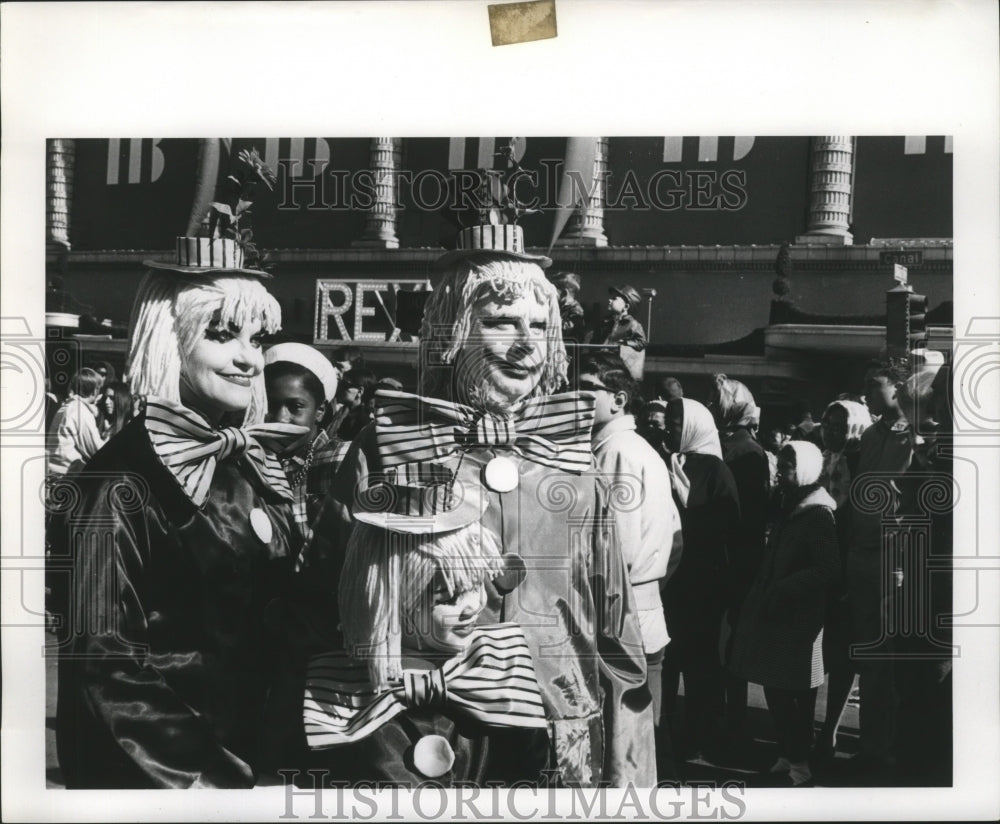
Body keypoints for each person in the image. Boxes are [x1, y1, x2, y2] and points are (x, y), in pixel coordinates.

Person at [329, 216, 653, 787]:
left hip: (561, 740)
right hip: (425, 739)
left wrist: (630, 778)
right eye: (502, 322)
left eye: (538, 325)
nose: (527, 345)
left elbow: (616, 633)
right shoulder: (384, 449)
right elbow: (333, 604)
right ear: (453, 330)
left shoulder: (574, 460)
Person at [52, 160, 307, 787]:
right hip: (165, 774)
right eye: (222, 336)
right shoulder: (114, 484)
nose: (248, 358)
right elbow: (103, 659)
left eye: (256, 338)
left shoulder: (249, 462)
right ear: (169, 340)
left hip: (257, 760)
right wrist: (202, 772)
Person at [300, 467, 551, 786]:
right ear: (390, 601)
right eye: (447, 598)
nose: (473, 605)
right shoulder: (329, 696)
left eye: (474, 585)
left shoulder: (505, 671)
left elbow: (543, 793)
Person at [580, 352, 683, 779]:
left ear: (619, 400)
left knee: (627, 743)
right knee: (640, 737)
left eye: (588, 390)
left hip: (618, 611)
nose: (576, 398)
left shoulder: (618, 452)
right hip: (639, 605)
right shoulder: (628, 448)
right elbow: (677, 538)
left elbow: (610, 546)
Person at [728, 441, 840, 787]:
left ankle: (799, 764)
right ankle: (790, 755)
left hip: (796, 616)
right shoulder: (792, 503)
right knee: (790, 691)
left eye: (790, 465)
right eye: (783, 463)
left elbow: (828, 569)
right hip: (782, 613)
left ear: (806, 467)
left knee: (783, 691)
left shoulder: (818, 513)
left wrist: (784, 586)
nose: (782, 469)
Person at [842, 361, 913, 781]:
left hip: (895, 555)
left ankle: (889, 748)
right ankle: (871, 745)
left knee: (890, 657)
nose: (868, 393)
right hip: (863, 552)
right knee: (870, 654)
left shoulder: (917, 434)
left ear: (899, 387)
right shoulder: (869, 434)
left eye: (876, 385)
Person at [659, 397, 741, 762]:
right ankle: (663, 734)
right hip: (668, 583)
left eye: (676, 421)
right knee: (666, 663)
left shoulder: (716, 471)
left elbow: (731, 528)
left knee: (699, 667)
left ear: (693, 426)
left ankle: (699, 737)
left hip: (702, 586)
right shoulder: (664, 463)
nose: (668, 426)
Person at [708, 375, 770, 748]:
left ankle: (733, 720)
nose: (712, 407)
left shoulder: (745, 451)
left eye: (717, 401)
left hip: (735, 561)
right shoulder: (730, 444)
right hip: (731, 558)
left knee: (729, 644)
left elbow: (746, 516)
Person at [813, 399, 872, 766]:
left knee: (842, 654)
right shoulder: (821, 458)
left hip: (847, 570)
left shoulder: (861, 462)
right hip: (819, 563)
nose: (835, 431)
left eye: (841, 424)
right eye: (829, 423)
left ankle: (830, 729)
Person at [264, 343, 346, 561]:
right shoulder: (250, 459)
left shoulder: (341, 461)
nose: (280, 418)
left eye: (295, 406)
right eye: (270, 404)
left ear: (319, 410)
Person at [47, 368, 105, 476]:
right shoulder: (81, 411)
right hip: (67, 473)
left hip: (54, 469)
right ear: (94, 390)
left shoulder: (67, 406)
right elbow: (95, 449)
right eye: (99, 389)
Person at [588, 285, 647, 351]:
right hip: (600, 357)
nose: (609, 300)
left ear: (626, 307)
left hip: (616, 359)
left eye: (614, 299)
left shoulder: (632, 324)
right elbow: (594, 341)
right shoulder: (605, 322)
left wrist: (626, 344)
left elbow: (642, 342)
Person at [549, 270, 586, 343]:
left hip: (569, 350)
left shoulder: (576, 310)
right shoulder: (561, 307)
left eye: (553, 291)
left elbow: (565, 330)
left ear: (564, 292)